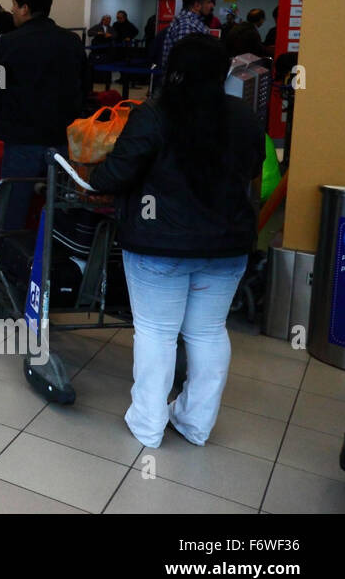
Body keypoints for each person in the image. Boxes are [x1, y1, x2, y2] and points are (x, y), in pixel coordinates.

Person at [90, 35, 264, 448]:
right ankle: (195, 423)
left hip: (158, 245)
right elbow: (254, 167)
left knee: (157, 332)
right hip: (226, 244)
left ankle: (148, 424)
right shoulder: (244, 116)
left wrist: (93, 179)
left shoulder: (155, 114)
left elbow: (117, 174)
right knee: (207, 332)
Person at [0, 0, 87, 230]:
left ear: (25, 8)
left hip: (21, 137)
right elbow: (85, 83)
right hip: (62, 136)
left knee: (14, 205)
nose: (11, 9)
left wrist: (2, 116)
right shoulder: (71, 41)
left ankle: (6, 262)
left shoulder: (8, 43)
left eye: (14, 4)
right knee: (62, 204)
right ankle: (56, 260)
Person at [159, 0, 212, 68]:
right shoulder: (186, 25)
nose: (211, 6)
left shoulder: (191, 22)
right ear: (197, 5)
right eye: (208, 2)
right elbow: (186, 62)